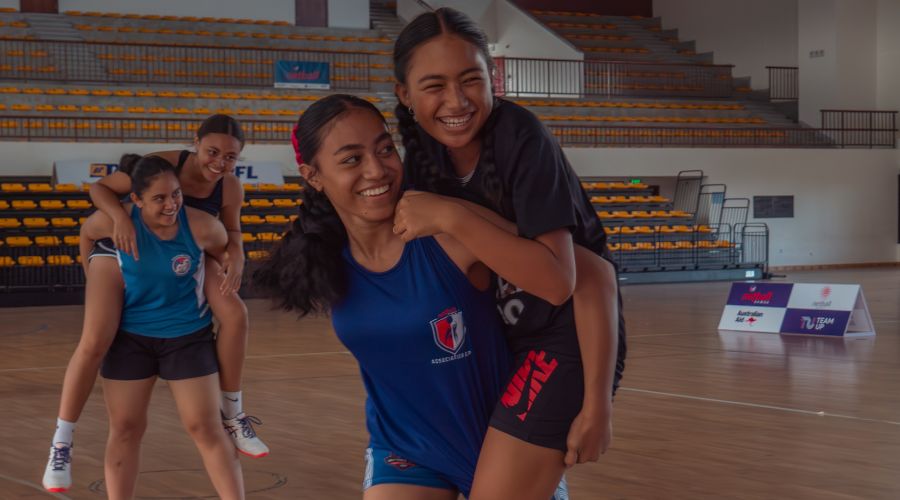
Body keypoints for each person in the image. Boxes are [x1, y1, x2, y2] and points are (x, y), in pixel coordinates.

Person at [391, 8, 625, 499]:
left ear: (493, 77)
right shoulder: (424, 158)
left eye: (470, 80)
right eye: (434, 85)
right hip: (500, 344)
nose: (456, 100)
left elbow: (576, 281)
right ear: (404, 95)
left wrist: (598, 406)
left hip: (564, 342)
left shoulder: (520, 137)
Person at [253, 94, 513, 499]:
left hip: (506, 446)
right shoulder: (327, 260)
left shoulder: (450, 228)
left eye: (385, 149)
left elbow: (566, 272)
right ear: (313, 176)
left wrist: (590, 402)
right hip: (405, 449)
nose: (377, 170)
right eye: (352, 159)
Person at [42, 116, 265, 494]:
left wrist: (238, 255)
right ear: (195, 143)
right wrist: (103, 249)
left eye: (230, 156)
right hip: (140, 252)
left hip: (190, 249)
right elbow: (95, 206)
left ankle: (234, 410)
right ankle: (61, 441)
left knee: (235, 313)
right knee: (96, 341)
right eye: (213, 152)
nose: (221, 162)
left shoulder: (226, 190)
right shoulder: (157, 168)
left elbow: (233, 230)